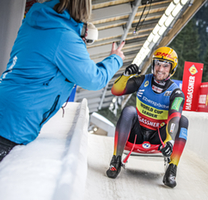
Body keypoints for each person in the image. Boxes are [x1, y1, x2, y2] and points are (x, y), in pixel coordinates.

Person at [0, 0, 125, 162]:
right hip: (15, 123)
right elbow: (94, 79)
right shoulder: (64, 37)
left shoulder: (34, 21)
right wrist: (115, 59)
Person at [106, 46, 188, 188]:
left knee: (183, 120)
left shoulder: (177, 93)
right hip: (137, 134)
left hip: (159, 137)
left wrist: (169, 140)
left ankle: (172, 168)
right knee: (129, 110)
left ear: (172, 68)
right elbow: (115, 91)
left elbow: (175, 116)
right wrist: (125, 75)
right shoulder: (142, 80)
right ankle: (116, 160)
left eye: (165, 65)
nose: (160, 69)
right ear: (153, 64)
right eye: (157, 64)